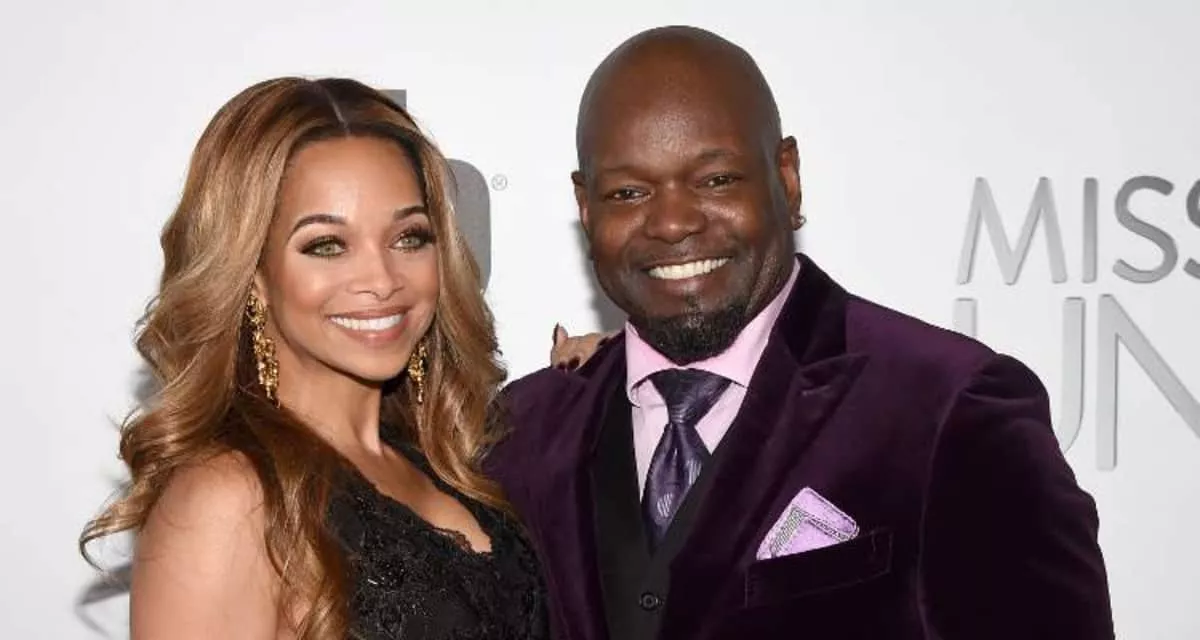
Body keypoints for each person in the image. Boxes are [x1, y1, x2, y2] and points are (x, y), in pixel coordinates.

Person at [489, 26, 1115, 640]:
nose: (672, 222)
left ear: (786, 178)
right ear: (586, 208)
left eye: (716, 180)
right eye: (628, 192)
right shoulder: (518, 434)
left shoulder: (948, 408)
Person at [80, 77, 547, 639]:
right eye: (327, 245)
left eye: (409, 237)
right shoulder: (226, 500)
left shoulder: (441, 462)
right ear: (253, 274)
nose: (382, 279)